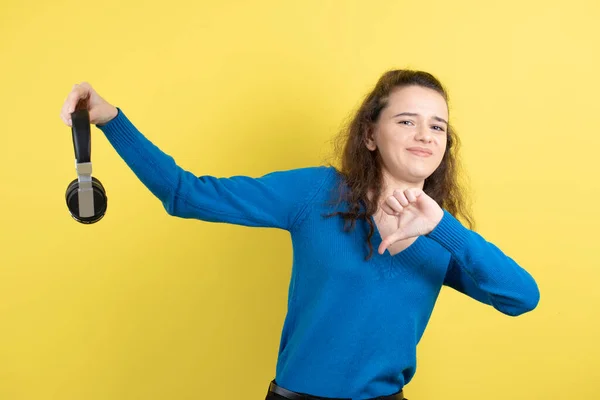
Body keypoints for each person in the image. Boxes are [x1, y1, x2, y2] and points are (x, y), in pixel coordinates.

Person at [59, 70, 540, 400]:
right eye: (406, 120)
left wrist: (443, 227)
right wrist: (112, 120)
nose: (425, 135)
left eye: (438, 125)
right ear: (370, 135)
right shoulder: (316, 192)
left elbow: (522, 297)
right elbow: (185, 195)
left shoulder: (443, 234)